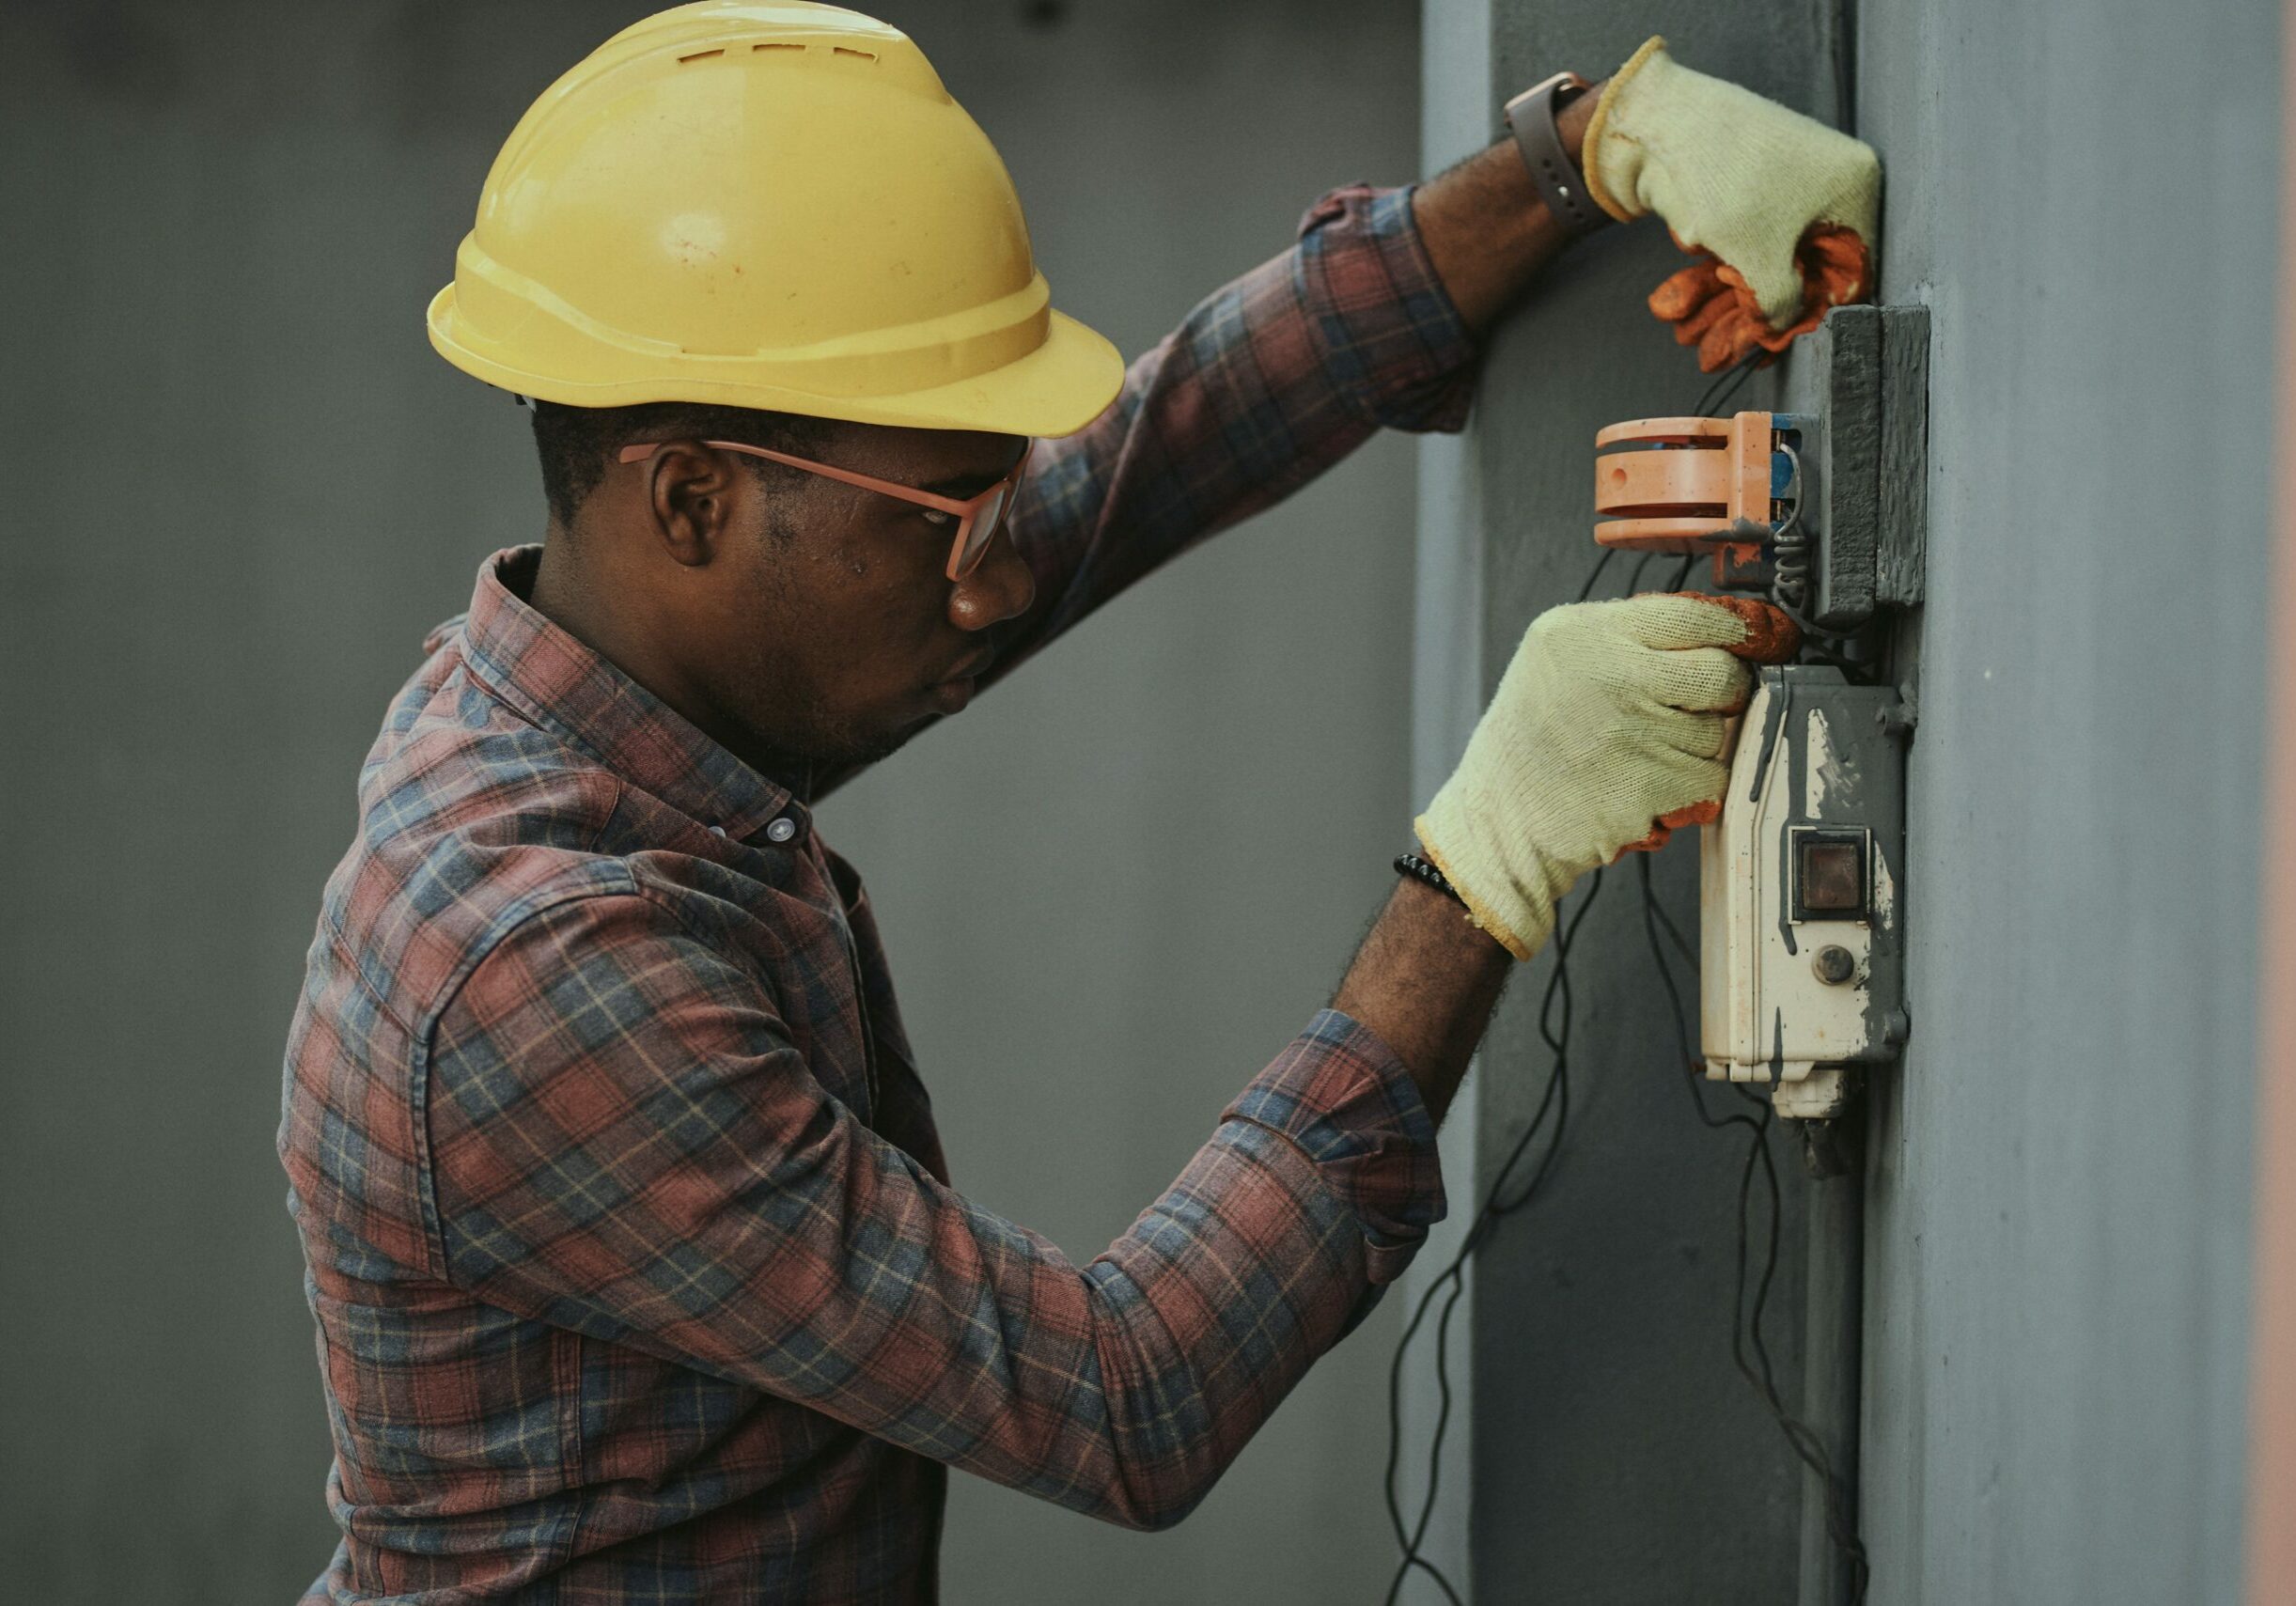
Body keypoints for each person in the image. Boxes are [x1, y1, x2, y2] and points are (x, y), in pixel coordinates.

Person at [277, 5, 1879, 1600]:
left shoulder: (598, 690)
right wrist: (1480, 865)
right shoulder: (541, 969)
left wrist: (1580, 156)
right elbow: (1124, 1396)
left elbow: (1156, 448)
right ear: (694, 497)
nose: (988, 585)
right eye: (947, 520)